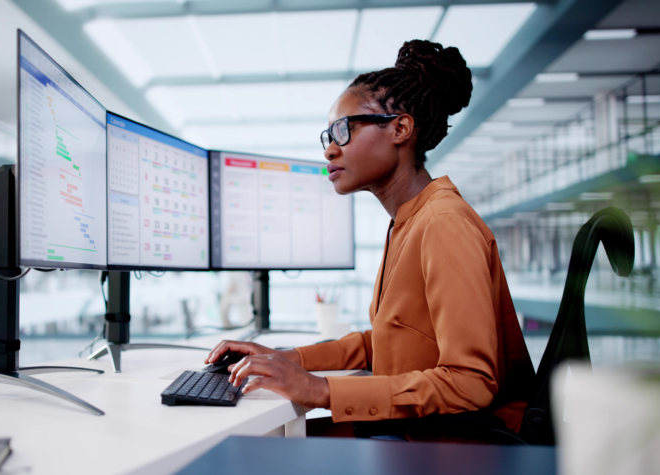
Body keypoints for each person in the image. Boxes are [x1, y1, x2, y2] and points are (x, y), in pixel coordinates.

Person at [205, 39, 535, 435]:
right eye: (327, 135)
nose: (330, 150)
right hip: (419, 432)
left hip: (456, 446)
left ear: (400, 128)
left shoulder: (444, 223)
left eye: (343, 130)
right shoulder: (408, 221)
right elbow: (385, 342)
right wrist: (288, 357)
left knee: (251, 451)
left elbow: (471, 382)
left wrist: (319, 389)